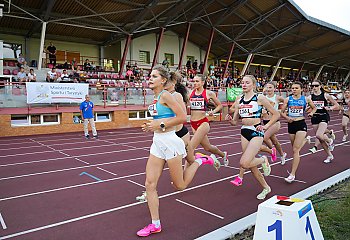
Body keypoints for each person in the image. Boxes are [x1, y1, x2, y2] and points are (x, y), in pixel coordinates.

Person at [137, 66, 217, 237]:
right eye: (150, 76)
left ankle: (199, 161)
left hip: (171, 142)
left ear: (163, 80)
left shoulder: (167, 95)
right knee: (149, 185)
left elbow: (181, 117)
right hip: (157, 142)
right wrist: (151, 125)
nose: (150, 78)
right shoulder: (155, 97)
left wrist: (161, 125)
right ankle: (155, 224)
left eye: (154, 76)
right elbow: (160, 118)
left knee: (179, 186)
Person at [226, 75, 279, 199]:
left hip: (256, 131)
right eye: (242, 82)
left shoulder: (259, 98)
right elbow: (235, 122)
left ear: (253, 85)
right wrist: (230, 120)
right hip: (244, 131)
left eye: (247, 83)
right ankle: (266, 187)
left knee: (244, 163)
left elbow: (276, 114)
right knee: (251, 165)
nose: (244, 84)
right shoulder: (239, 99)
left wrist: (266, 127)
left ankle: (263, 159)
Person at [280, 81, 316, 183]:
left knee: (295, 150)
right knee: (294, 149)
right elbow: (281, 112)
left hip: (301, 124)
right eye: (293, 88)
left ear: (301, 89)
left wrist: (311, 113)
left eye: (296, 88)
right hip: (291, 125)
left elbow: (314, 108)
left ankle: (292, 174)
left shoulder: (306, 99)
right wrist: (287, 118)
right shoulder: (288, 99)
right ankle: (306, 140)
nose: (294, 90)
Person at [189, 74, 228, 166]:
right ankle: (223, 155)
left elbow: (220, 105)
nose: (195, 83)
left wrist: (213, 111)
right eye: (194, 81)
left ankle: (183, 174)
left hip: (203, 122)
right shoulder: (190, 93)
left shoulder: (209, 93)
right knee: (208, 147)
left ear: (203, 82)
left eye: (197, 81)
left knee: (190, 147)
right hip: (193, 123)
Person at [308, 80, 339, 163]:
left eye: (316, 85)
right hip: (314, 117)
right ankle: (330, 155)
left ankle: (329, 141)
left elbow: (336, 105)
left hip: (323, 116)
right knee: (320, 138)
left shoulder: (325, 95)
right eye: (312, 86)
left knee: (319, 134)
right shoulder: (310, 97)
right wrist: (309, 110)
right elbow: (308, 107)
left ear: (320, 86)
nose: (314, 88)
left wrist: (330, 108)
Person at [261, 82, 287, 164]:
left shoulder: (277, 97)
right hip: (265, 121)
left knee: (264, 138)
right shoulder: (263, 98)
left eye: (270, 87)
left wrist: (283, 111)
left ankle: (272, 151)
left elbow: (287, 101)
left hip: (275, 122)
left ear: (274, 89)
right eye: (267, 87)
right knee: (275, 141)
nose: (268, 89)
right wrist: (262, 112)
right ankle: (282, 155)